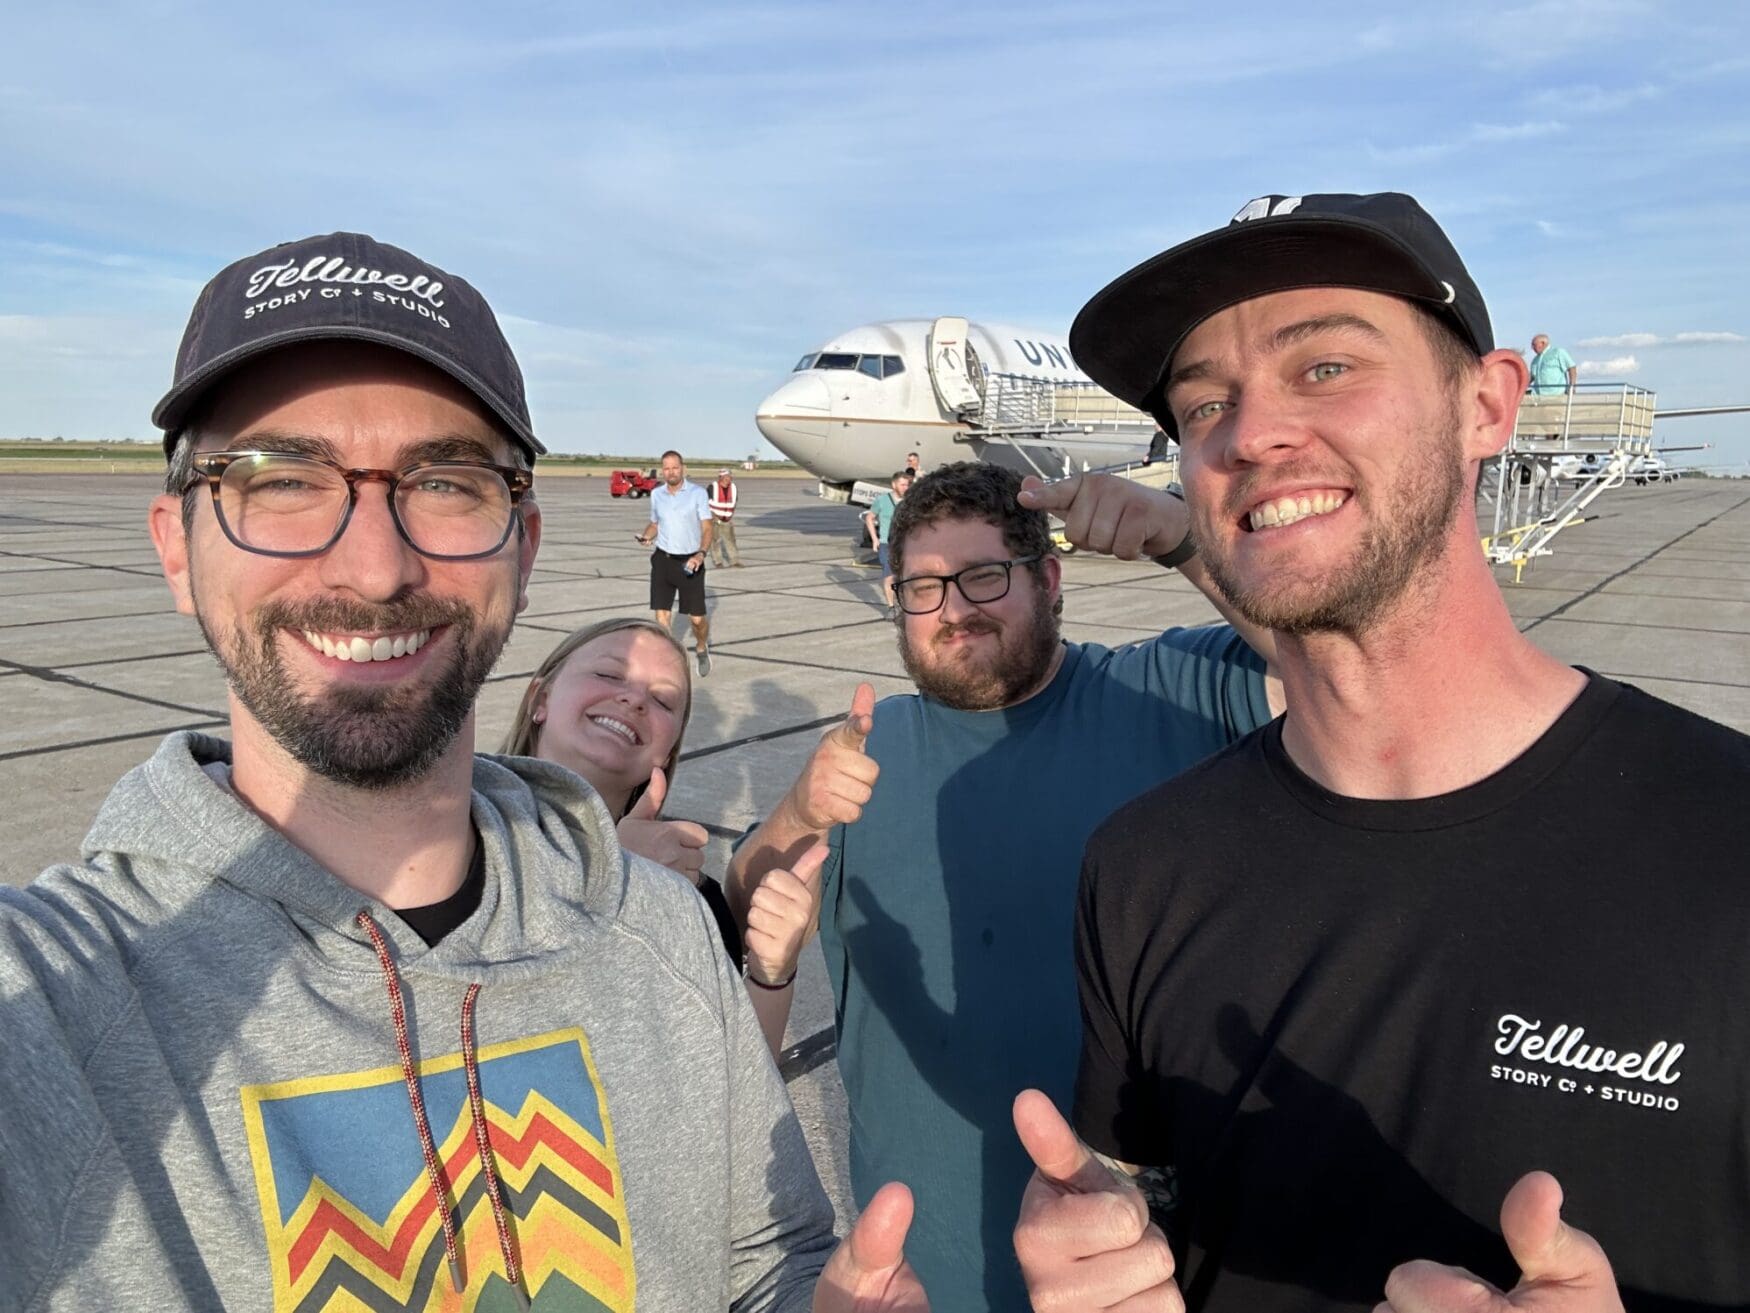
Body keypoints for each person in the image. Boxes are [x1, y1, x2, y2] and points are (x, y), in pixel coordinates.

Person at [0, 232, 926, 1311]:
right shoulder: (56, 1006)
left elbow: (770, 1261)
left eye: (446, 481)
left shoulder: (663, 933)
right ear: (175, 546)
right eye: (279, 478)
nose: (376, 564)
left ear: (523, 548)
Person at [1014, 192, 1750, 1311]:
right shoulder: (1141, 865)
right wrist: (1094, 1256)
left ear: (1487, 404)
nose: (1248, 432)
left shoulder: (1725, 840)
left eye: (1324, 368)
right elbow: (1135, 1197)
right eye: (1202, 400)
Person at [729, 460, 1280, 1310]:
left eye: (983, 576)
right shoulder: (867, 751)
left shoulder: (1168, 693)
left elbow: (1349, 661)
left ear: (1049, 578)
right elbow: (747, 900)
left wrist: (1182, 537)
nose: (953, 610)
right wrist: (800, 811)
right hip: (921, 1274)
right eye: (921, 587)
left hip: (1137, 1277)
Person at [501, 616, 816, 1055]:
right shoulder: (447, 830)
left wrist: (771, 974)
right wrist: (612, 873)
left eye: (664, 700)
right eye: (609, 674)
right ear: (541, 698)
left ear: (666, 751)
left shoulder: (686, 893)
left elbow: (734, 1082)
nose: (633, 699)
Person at [636, 450, 714, 675]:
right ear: (663, 470)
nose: (671, 472)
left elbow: (708, 528)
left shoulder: (698, 494)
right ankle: (668, 661)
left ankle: (701, 647)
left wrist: (701, 554)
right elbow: (655, 523)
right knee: (662, 615)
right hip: (663, 560)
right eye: (666, 468)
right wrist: (647, 535)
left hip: (691, 562)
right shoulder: (657, 494)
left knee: (697, 620)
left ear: (683, 469)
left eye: (675, 467)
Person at [862, 469, 913, 616]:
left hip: (906, 543)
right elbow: (869, 518)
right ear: (893, 485)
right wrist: (874, 539)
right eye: (902, 484)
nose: (905, 487)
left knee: (907, 575)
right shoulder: (882, 501)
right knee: (888, 575)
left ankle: (907, 604)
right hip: (887, 543)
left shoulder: (910, 502)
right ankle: (891, 607)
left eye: (907, 485)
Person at [709, 467, 744, 567]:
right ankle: (718, 561)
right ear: (720, 477)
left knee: (731, 540)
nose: (728, 479)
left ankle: (734, 561)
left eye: (729, 476)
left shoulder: (733, 487)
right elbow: (706, 502)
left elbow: (734, 502)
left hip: (727, 519)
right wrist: (712, 516)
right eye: (726, 476)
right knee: (715, 540)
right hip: (714, 518)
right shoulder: (712, 487)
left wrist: (730, 516)